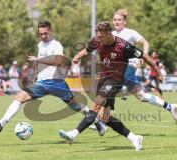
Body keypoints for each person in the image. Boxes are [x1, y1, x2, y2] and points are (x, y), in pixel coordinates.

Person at [58, 21, 165, 150]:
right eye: (98, 36)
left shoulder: (124, 46)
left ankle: (74, 134)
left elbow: (145, 56)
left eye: (101, 36)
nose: (99, 39)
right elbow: (88, 49)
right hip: (103, 79)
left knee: (96, 105)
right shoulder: (97, 40)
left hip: (115, 81)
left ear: (109, 34)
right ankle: (134, 138)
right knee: (104, 117)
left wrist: (158, 72)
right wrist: (78, 55)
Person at [0, 21, 102, 133]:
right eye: (40, 34)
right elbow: (40, 64)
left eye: (45, 33)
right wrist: (37, 75)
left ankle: (97, 122)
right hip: (42, 83)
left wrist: (39, 60)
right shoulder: (40, 45)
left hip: (56, 83)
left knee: (76, 106)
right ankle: (1, 123)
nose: (43, 36)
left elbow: (58, 61)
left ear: (51, 31)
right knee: (19, 97)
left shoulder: (56, 45)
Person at [112, 9, 177, 122]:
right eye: (115, 20)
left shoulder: (130, 32)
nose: (117, 22)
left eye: (120, 20)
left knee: (107, 91)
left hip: (129, 67)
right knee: (141, 96)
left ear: (124, 22)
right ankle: (169, 106)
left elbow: (145, 42)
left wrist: (145, 56)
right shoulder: (112, 34)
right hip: (119, 68)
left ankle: (101, 121)